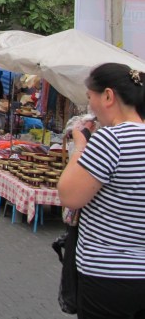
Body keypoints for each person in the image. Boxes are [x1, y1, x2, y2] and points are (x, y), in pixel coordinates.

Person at [58, 63, 145, 319]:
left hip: (108, 275)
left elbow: (70, 196)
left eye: (90, 97)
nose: (90, 106)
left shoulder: (111, 139)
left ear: (108, 96)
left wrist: (82, 147)